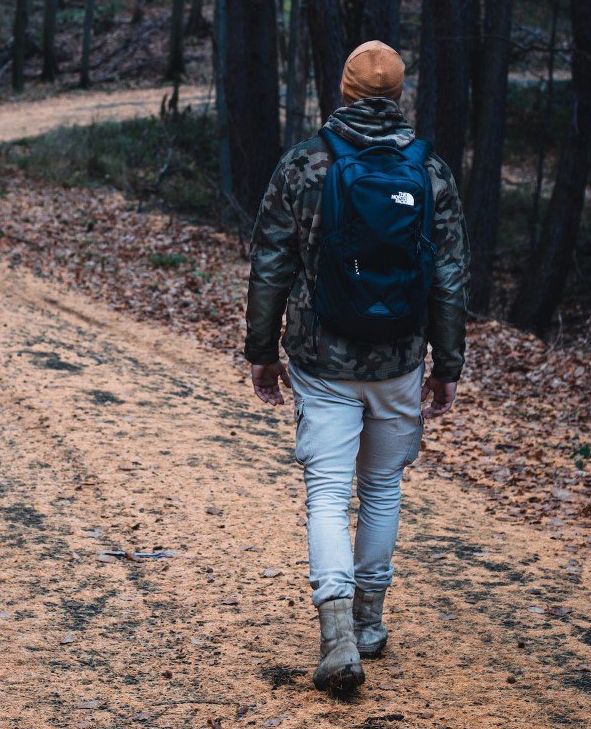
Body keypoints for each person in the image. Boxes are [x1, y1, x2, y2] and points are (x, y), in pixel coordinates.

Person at [243, 40, 469, 695]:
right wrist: (446, 363)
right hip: (400, 356)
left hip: (321, 356)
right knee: (381, 488)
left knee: (326, 491)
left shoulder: (304, 164)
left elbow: (270, 265)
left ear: (343, 91)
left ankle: (336, 631)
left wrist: (262, 351)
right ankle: (369, 621)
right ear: (397, 95)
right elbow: (449, 277)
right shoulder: (430, 172)